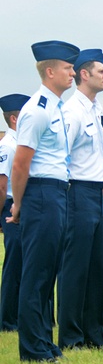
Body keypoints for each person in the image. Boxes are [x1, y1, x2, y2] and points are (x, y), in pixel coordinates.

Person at [11, 40, 79, 363]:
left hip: (56, 193)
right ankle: (32, 348)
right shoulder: (37, 110)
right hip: (40, 194)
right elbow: (21, 163)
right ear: (50, 71)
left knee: (48, 271)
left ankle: (43, 341)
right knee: (36, 273)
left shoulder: (56, 108)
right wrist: (18, 204)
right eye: (67, 68)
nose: (72, 73)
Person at [58, 49, 103, 351]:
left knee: (97, 267)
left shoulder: (93, 108)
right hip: (76, 192)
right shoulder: (73, 111)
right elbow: (61, 155)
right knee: (75, 267)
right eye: (100, 71)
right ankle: (71, 336)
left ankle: (93, 332)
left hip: (95, 194)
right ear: (84, 74)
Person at [0, 93, 31, 332]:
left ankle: (21, 316)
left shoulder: (23, 144)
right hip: (10, 208)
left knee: (26, 264)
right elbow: (2, 185)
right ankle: (8, 320)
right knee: (14, 264)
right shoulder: (8, 146)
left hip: (25, 207)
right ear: (13, 119)